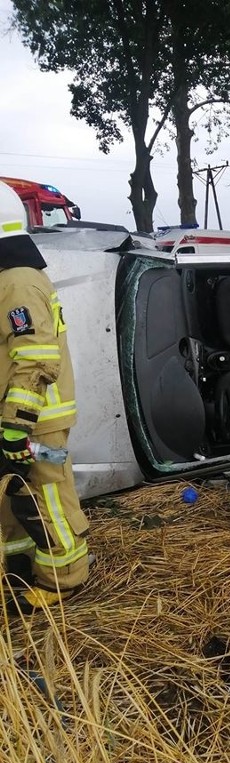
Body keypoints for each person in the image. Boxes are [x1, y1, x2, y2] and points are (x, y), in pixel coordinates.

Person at [0, 181, 90, 615]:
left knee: (47, 495)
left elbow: (35, 358)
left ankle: (64, 580)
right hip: (21, 415)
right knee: (17, 495)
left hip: (36, 418)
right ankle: (18, 567)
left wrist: (16, 423)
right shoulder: (13, 277)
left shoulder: (16, 282)